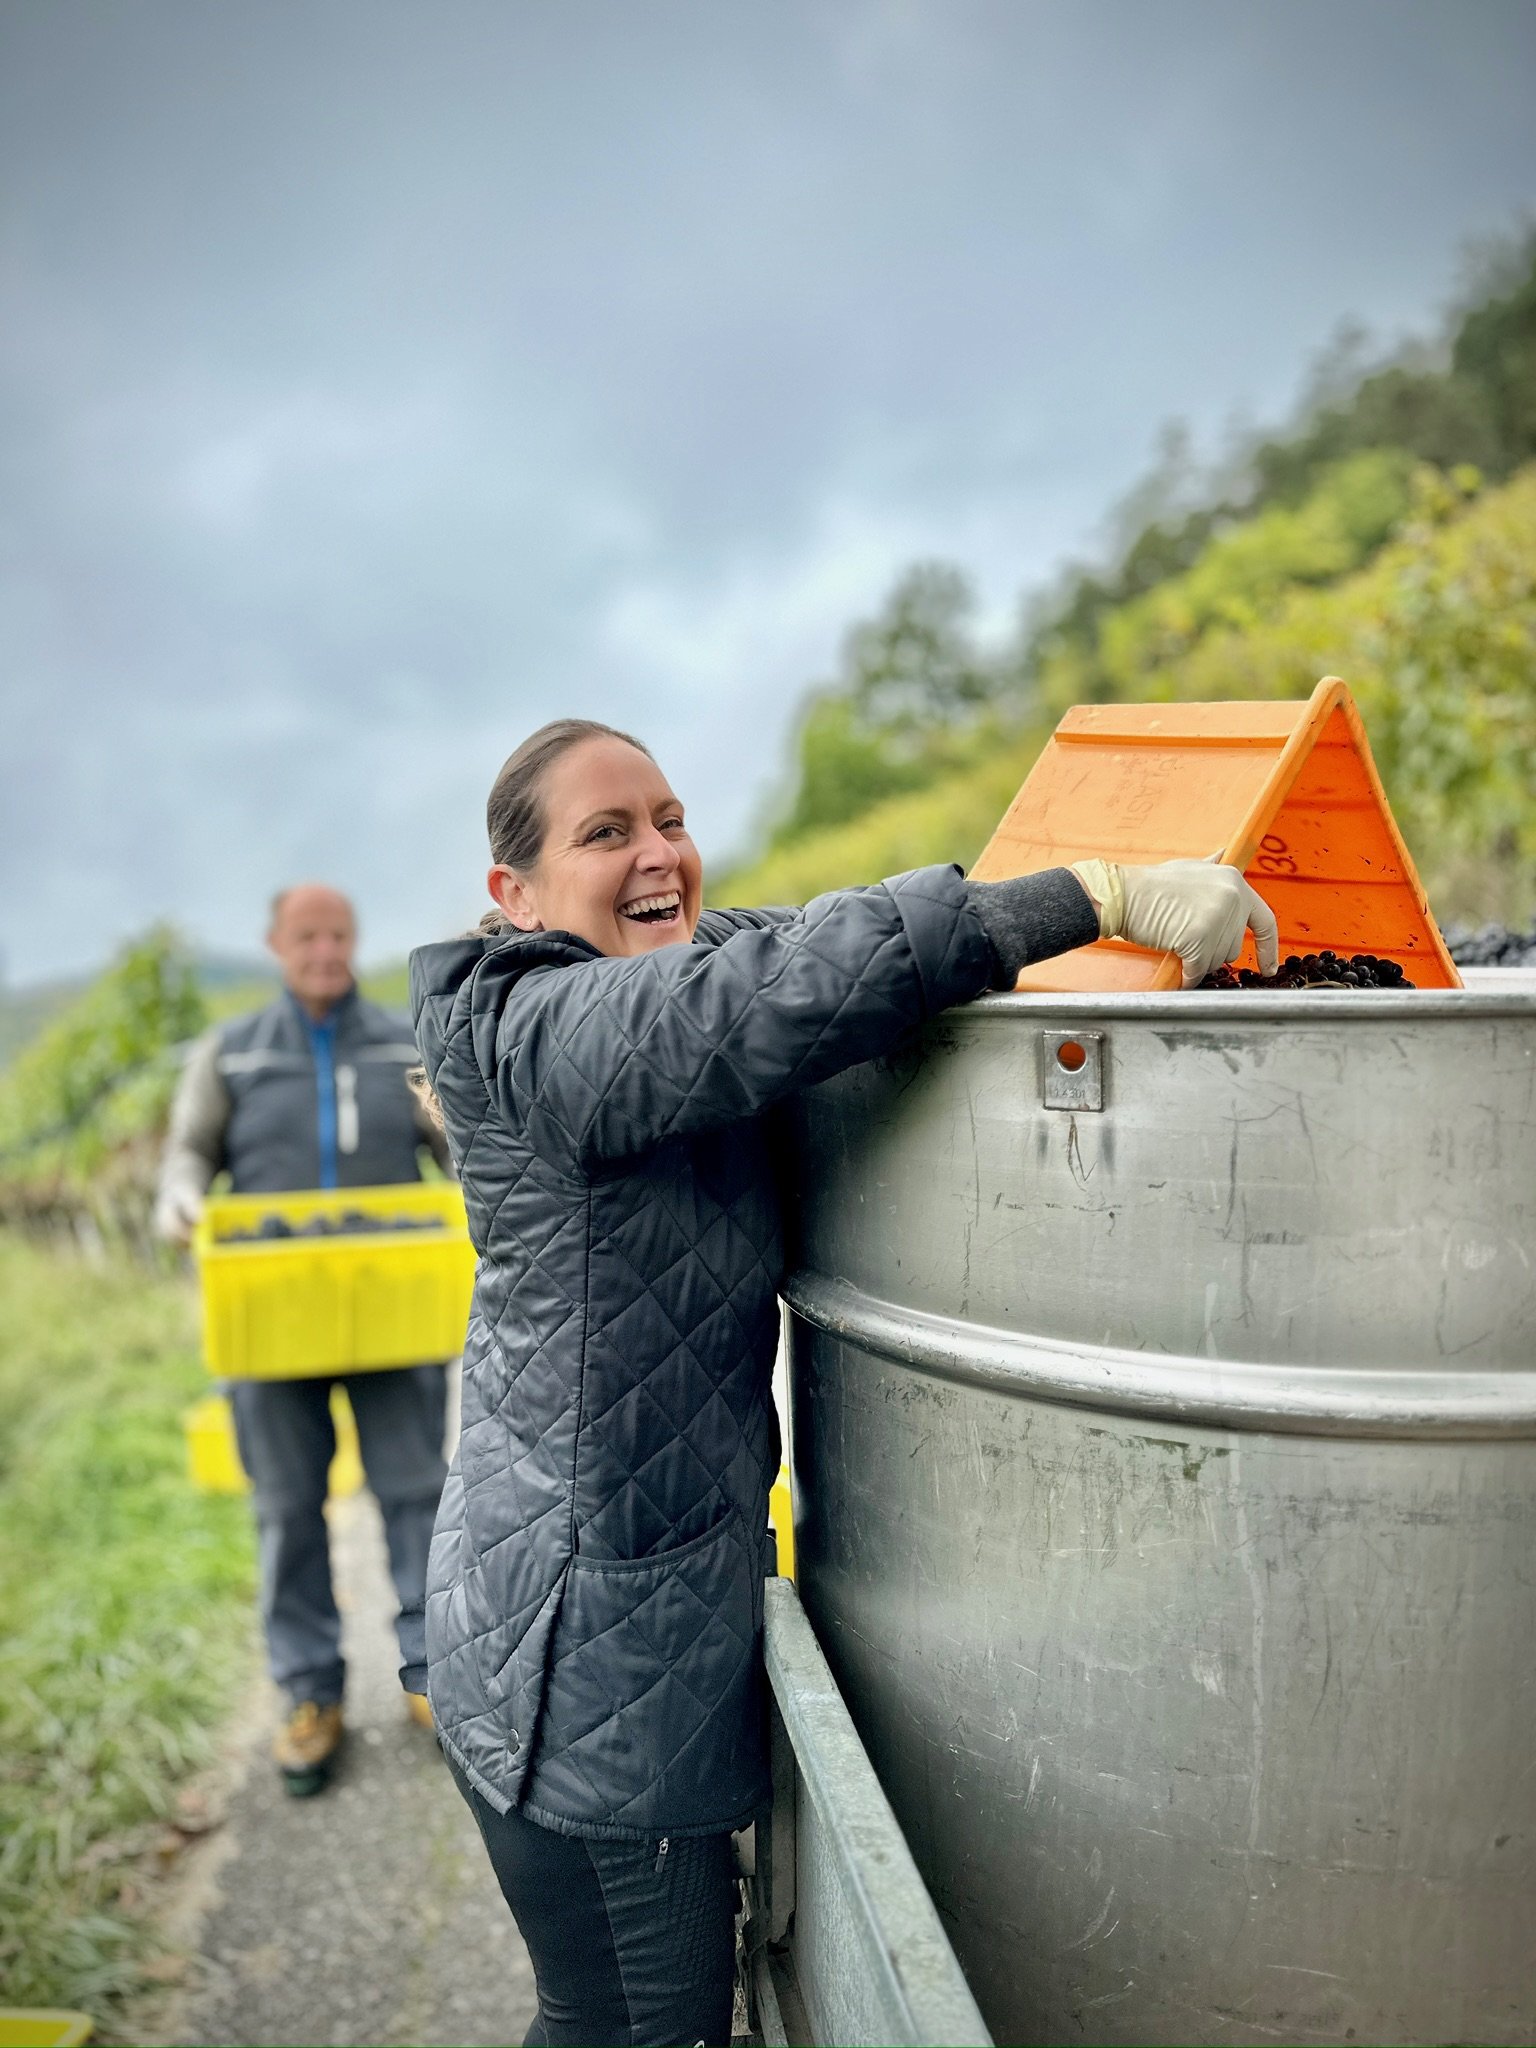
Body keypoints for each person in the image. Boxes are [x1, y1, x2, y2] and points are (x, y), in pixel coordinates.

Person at [406, 720, 1278, 2048]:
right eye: (605, 832)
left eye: (670, 818)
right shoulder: (535, 1026)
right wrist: (1094, 895)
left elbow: (802, 948)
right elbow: (751, 1003)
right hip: (574, 1670)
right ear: (510, 896)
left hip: (580, 1629)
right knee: (643, 2028)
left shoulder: (655, 972)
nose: (658, 853)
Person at [156, 884, 454, 1796]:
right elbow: (189, 1152)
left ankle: (433, 1673)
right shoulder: (232, 1053)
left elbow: (453, 1146)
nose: (325, 950)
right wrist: (179, 1193)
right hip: (272, 1316)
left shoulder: (405, 1044)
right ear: (276, 945)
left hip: (392, 1308)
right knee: (287, 1507)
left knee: (416, 1494)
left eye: (339, 935)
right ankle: (309, 1691)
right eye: (307, 936)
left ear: (353, 943)